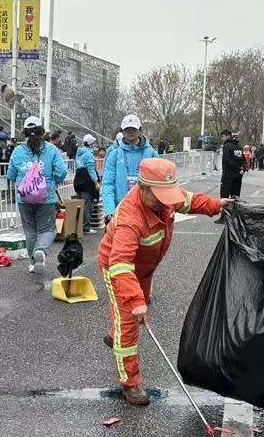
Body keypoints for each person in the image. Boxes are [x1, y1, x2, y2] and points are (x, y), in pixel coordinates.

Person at [98, 159, 231, 404]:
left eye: (168, 196)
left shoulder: (165, 196)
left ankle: (116, 333)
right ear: (142, 188)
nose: (166, 202)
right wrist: (135, 301)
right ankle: (130, 383)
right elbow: (120, 265)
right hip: (119, 270)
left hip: (144, 269)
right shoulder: (130, 218)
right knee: (129, 322)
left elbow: (188, 201)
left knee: (135, 312)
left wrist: (215, 205)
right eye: (160, 197)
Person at [7, 115, 67, 274]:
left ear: (25, 133)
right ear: (42, 132)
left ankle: (34, 262)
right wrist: (51, 184)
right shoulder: (51, 150)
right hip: (45, 197)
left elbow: (11, 175)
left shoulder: (18, 151)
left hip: (24, 198)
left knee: (30, 231)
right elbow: (62, 171)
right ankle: (40, 250)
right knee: (48, 229)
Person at [102, 114, 158, 222]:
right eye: (127, 129)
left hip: (146, 211)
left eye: (133, 129)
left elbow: (158, 183)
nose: (130, 132)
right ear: (122, 131)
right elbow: (108, 184)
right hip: (121, 210)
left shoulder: (151, 153)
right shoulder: (114, 155)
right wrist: (110, 210)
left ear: (139, 130)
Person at [73, 133, 100, 233]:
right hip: (87, 182)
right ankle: (86, 227)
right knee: (87, 205)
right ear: (90, 144)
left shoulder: (78, 153)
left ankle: (78, 226)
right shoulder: (89, 155)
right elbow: (91, 169)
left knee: (79, 205)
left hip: (78, 180)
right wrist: (96, 182)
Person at [220, 129, 245, 199]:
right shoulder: (239, 147)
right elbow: (243, 159)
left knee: (224, 196)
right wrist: (241, 168)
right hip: (238, 175)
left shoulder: (226, 146)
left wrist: (235, 166)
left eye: (223, 136)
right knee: (235, 197)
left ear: (228, 136)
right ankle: (235, 206)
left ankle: (225, 207)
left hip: (228, 175)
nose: (222, 139)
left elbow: (226, 159)